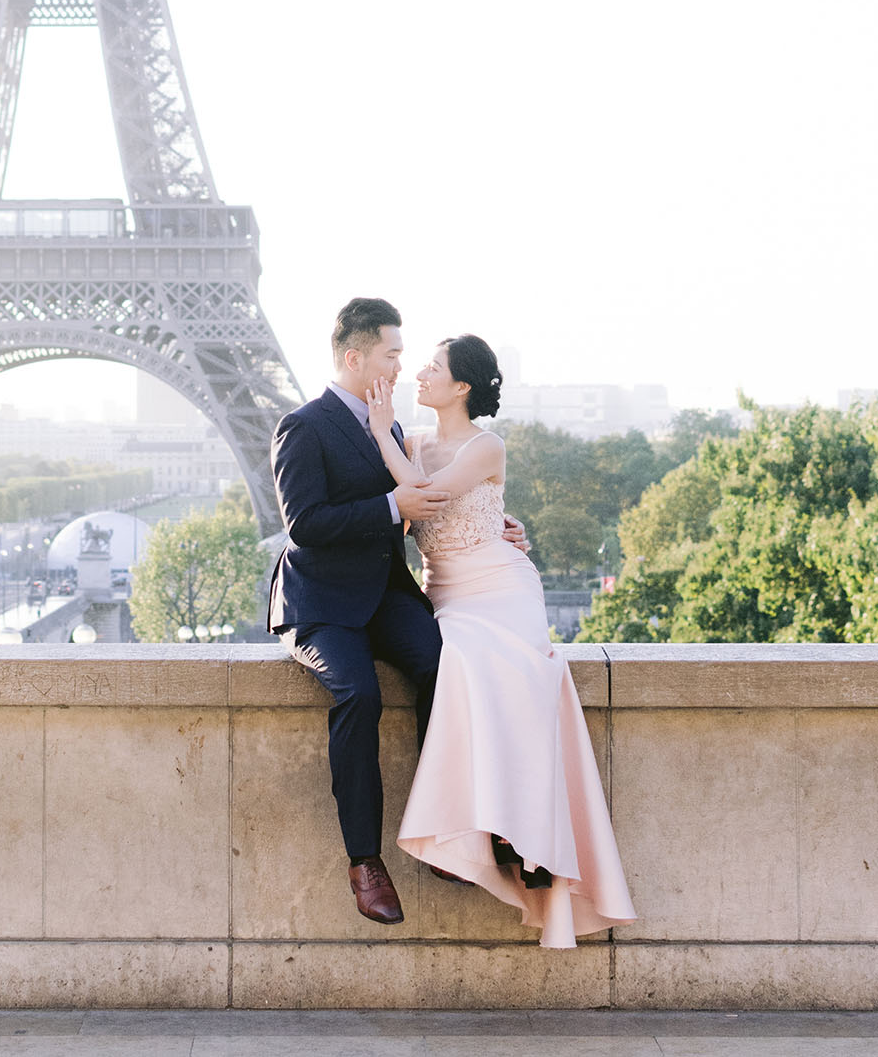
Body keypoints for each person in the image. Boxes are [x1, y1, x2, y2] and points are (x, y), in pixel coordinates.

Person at [367, 333, 635, 948]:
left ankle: (520, 835)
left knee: (498, 668)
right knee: (460, 660)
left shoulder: (485, 445)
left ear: (461, 386)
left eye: (432, 367)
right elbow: (404, 515)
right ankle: (503, 827)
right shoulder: (411, 442)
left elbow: (428, 499)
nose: (420, 373)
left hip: (501, 585)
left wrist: (382, 434)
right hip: (447, 592)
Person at [267, 298, 529, 924]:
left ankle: (447, 827)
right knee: (358, 693)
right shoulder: (304, 425)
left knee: (444, 665)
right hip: (323, 604)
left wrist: (500, 526)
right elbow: (303, 524)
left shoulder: (392, 428)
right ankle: (365, 861)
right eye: (392, 354)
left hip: (385, 592)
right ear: (356, 357)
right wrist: (391, 507)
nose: (402, 365)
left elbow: (447, 493)